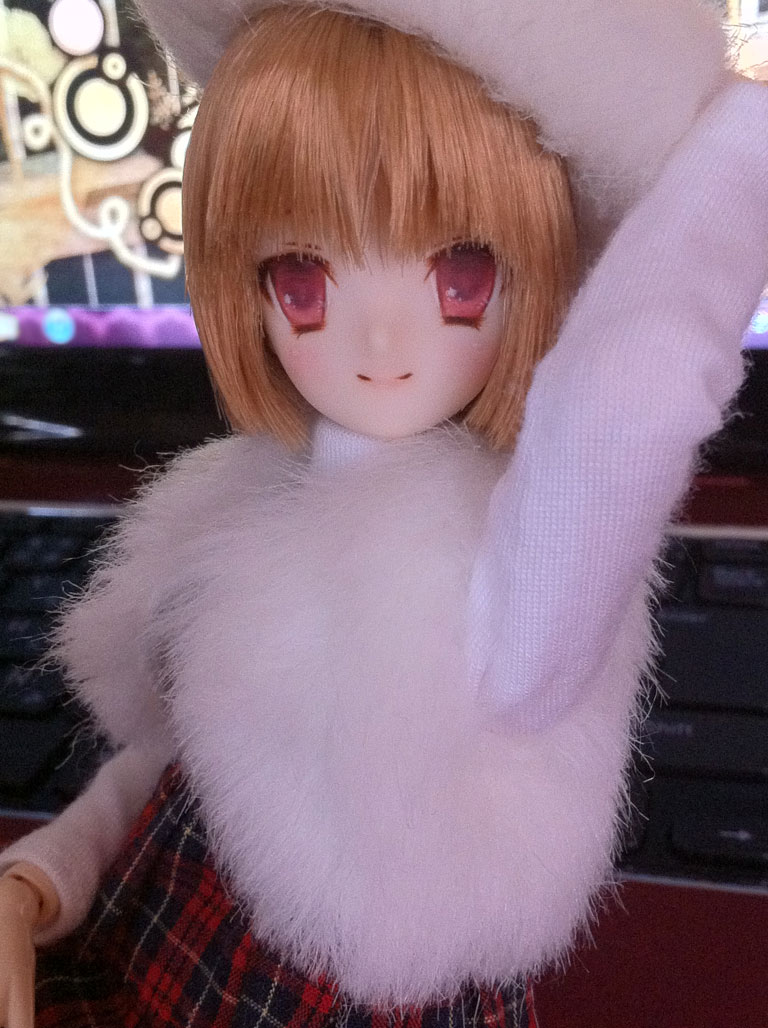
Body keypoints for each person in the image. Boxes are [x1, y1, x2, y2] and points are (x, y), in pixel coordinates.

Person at [2, 1, 767, 1025]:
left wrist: (729, 169)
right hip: (148, 940)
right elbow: (180, 766)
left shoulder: (502, 579)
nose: (376, 340)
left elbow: (623, 407)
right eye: (302, 280)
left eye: (460, 277)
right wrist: (50, 870)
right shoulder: (241, 502)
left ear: (550, 269)